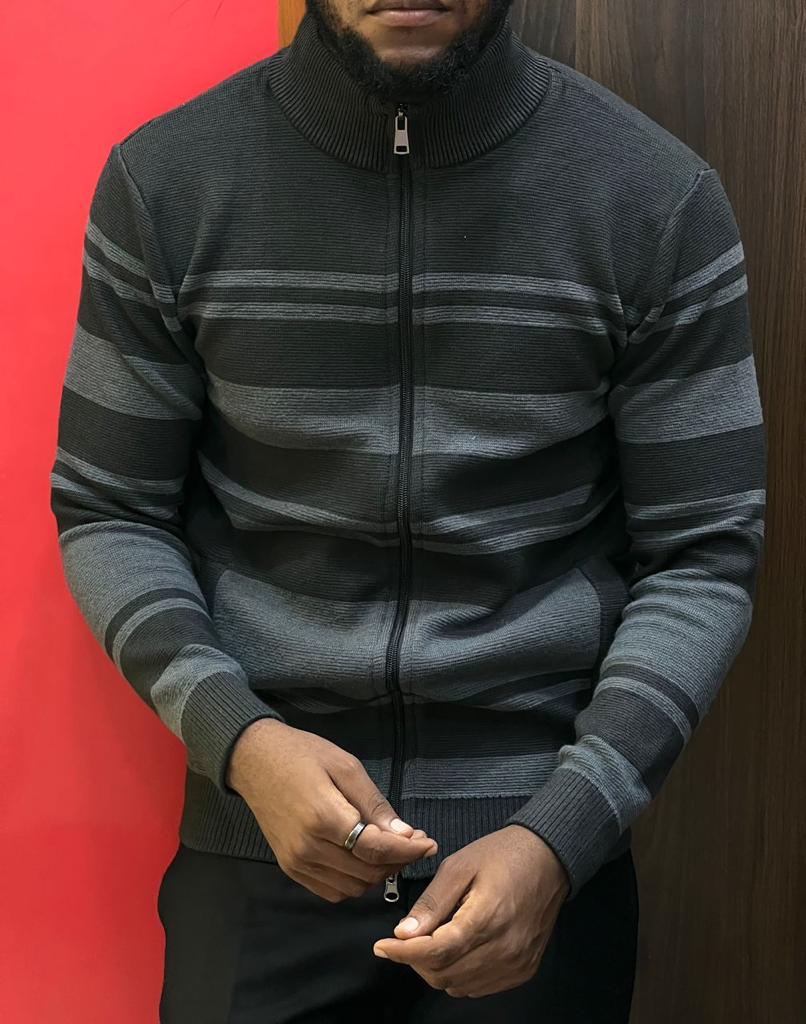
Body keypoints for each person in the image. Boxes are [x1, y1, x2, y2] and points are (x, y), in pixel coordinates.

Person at [49, 0, 766, 1020]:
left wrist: (562, 831)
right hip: (256, 854)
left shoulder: (654, 195)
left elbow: (702, 552)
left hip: (537, 870)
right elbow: (110, 506)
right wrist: (241, 742)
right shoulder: (165, 181)